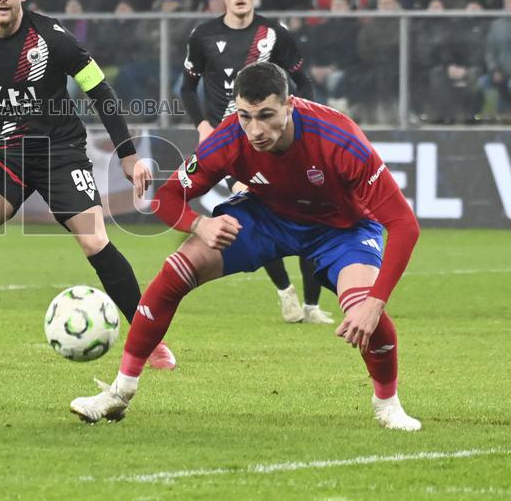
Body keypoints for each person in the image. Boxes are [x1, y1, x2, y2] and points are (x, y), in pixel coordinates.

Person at [70, 62, 422, 431]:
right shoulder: (229, 138)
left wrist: (375, 303)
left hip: (342, 229)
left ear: (289, 105)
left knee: (364, 308)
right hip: (266, 217)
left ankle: (388, 404)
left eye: (266, 115)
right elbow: (167, 196)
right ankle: (120, 392)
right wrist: (200, 224)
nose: (255, 130)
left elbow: (404, 225)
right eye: (245, 116)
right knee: (177, 269)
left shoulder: (338, 138)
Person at [0, 0, 176, 370]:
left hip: (60, 152)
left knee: (94, 240)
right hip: (5, 153)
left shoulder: (53, 38)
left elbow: (99, 90)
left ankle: (150, 343)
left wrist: (128, 154)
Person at [179, 0, 330, 325]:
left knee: (306, 211)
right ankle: (285, 291)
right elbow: (187, 87)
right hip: (234, 147)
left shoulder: (275, 34)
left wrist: (302, 122)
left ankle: (311, 305)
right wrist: (203, 125)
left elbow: (303, 82)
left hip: (276, 142)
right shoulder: (202, 36)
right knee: (260, 212)